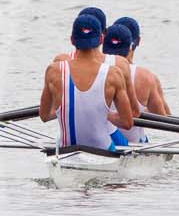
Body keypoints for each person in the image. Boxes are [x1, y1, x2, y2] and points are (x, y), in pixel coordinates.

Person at [39, 11, 137, 151]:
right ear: (101, 39)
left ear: (72, 40)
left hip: (65, 152)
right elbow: (127, 122)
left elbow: (44, 115)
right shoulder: (113, 74)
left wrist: (67, 110)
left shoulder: (53, 71)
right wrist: (105, 114)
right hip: (104, 151)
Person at [109, 16, 171, 144]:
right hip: (133, 144)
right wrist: (142, 109)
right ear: (137, 42)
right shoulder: (147, 77)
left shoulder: (94, 69)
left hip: (97, 141)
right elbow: (163, 118)